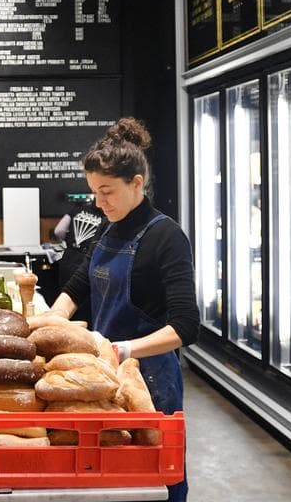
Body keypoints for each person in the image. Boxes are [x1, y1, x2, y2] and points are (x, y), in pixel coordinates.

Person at [43, 118, 198, 502]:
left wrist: (127, 349)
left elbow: (185, 325)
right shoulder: (109, 228)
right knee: (115, 477)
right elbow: (77, 286)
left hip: (151, 377)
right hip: (106, 370)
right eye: (94, 192)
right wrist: (47, 325)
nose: (99, 202)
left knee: (161, 474)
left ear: (137, 184)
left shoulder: (167, 236)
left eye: (107, 191)